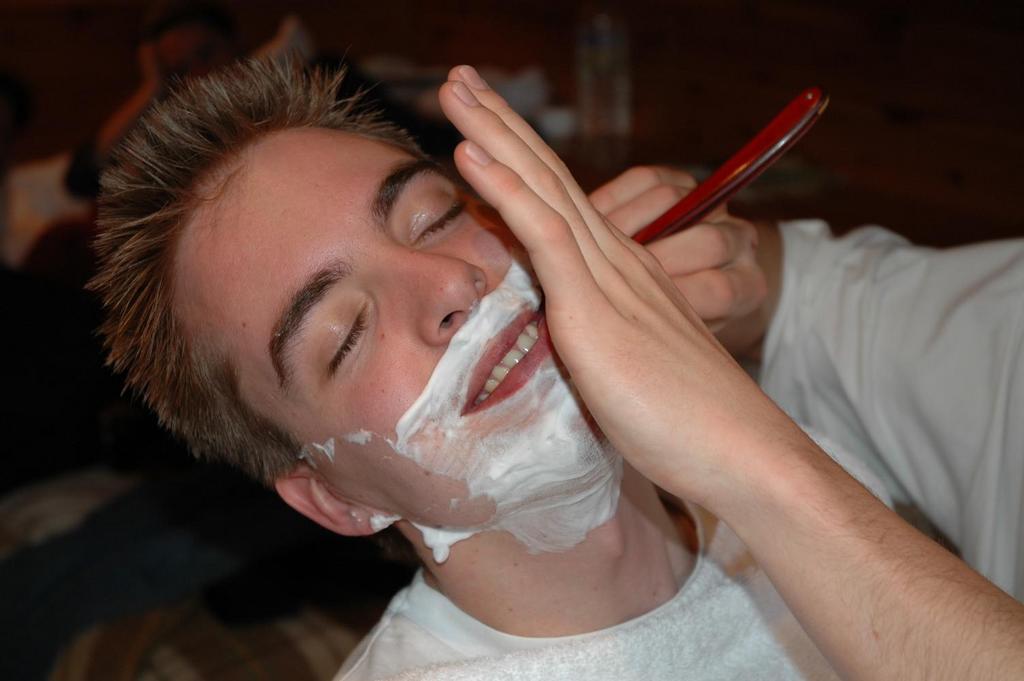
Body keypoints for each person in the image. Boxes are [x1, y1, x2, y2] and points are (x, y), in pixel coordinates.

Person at [89, 57, 1024, 680]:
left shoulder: (788, 434)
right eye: (345, 333)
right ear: (336, 500)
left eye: (433, 216)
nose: (453, 280)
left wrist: (753, 448)